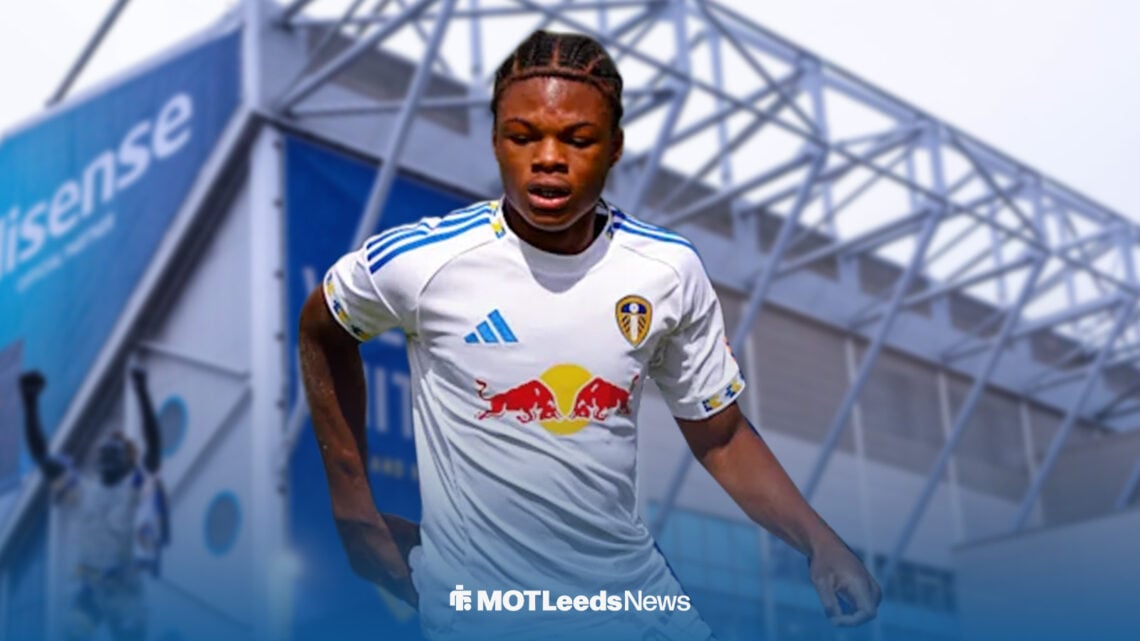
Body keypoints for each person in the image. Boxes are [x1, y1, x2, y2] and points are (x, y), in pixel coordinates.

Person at [298, 30, 881, 641]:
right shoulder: (424, 263)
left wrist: (820, 543)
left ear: (615, 147)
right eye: (523, 137)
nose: (549, 157)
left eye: (577, 139)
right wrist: (352, 509)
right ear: (497, 141)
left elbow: (721, 434)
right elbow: (324, 329)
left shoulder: (665, 270)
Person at [19, 365, 169, 641]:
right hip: (88, 586)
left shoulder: (134, 489)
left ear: (126, 461)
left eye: (113, 453)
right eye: (102, 453)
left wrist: (142, 391)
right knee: (73, 631)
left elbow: (155, 447)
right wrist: (30, 403)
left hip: (125, 590)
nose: (105, 457)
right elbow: (42, 457)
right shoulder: (81, 491)